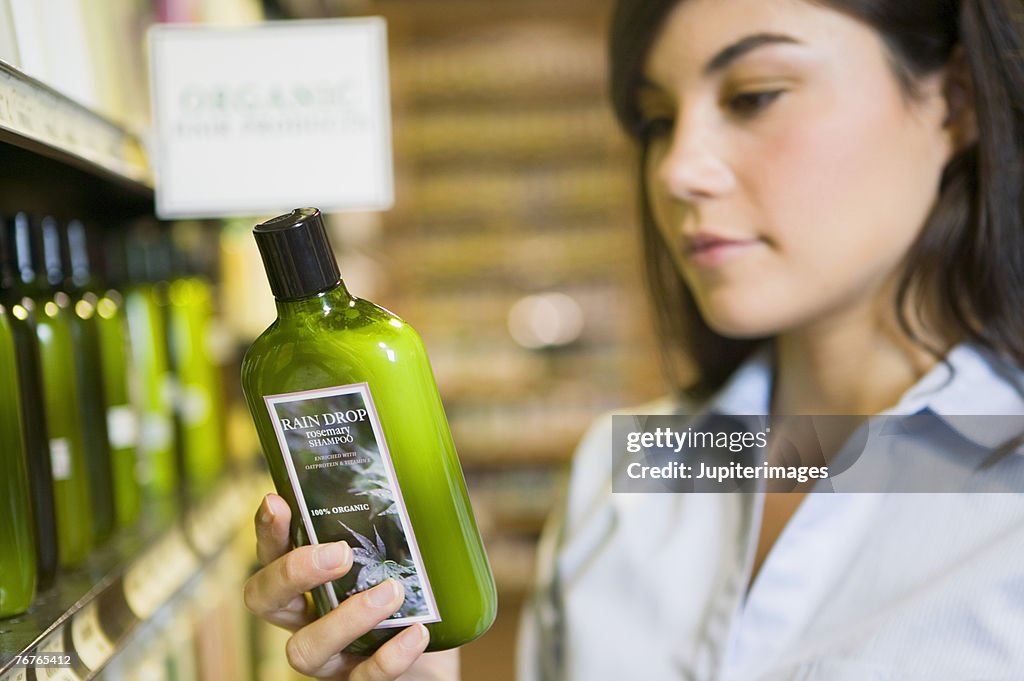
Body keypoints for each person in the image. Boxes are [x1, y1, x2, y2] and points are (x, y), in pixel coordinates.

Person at [243, 0, 1024, 678]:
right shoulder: (629, 468)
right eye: (655, 121)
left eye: (754, 96)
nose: (678, 167)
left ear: (953, 101)